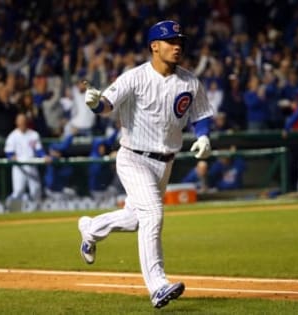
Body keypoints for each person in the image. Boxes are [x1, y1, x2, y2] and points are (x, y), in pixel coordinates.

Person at [77, 20, 214, 309]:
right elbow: (107, 106)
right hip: (133, 157)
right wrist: (94, 104)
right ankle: (157, 285)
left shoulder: (190, 81)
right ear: (155, 46)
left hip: (165, 163)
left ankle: (91, 227)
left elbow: (200, 114)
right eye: (171, 41)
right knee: (153, 213)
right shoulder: (134, 78)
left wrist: (203, 137)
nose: (178, 46)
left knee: (137, 219)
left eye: (180, 41)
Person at [4, 113, 48, 209]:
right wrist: (12, 157)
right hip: (19, 166)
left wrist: (44, 156)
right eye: (20, 121)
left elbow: (39, 150)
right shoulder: (12, 136)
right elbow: (8, 152)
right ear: (16, 123)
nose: (22, 123)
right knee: (19, 190)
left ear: (26, 122)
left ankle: (36, 213)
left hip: (32, 164)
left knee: (36, 190)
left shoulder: (34, 134)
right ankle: (7, 206)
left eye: (24, 121)